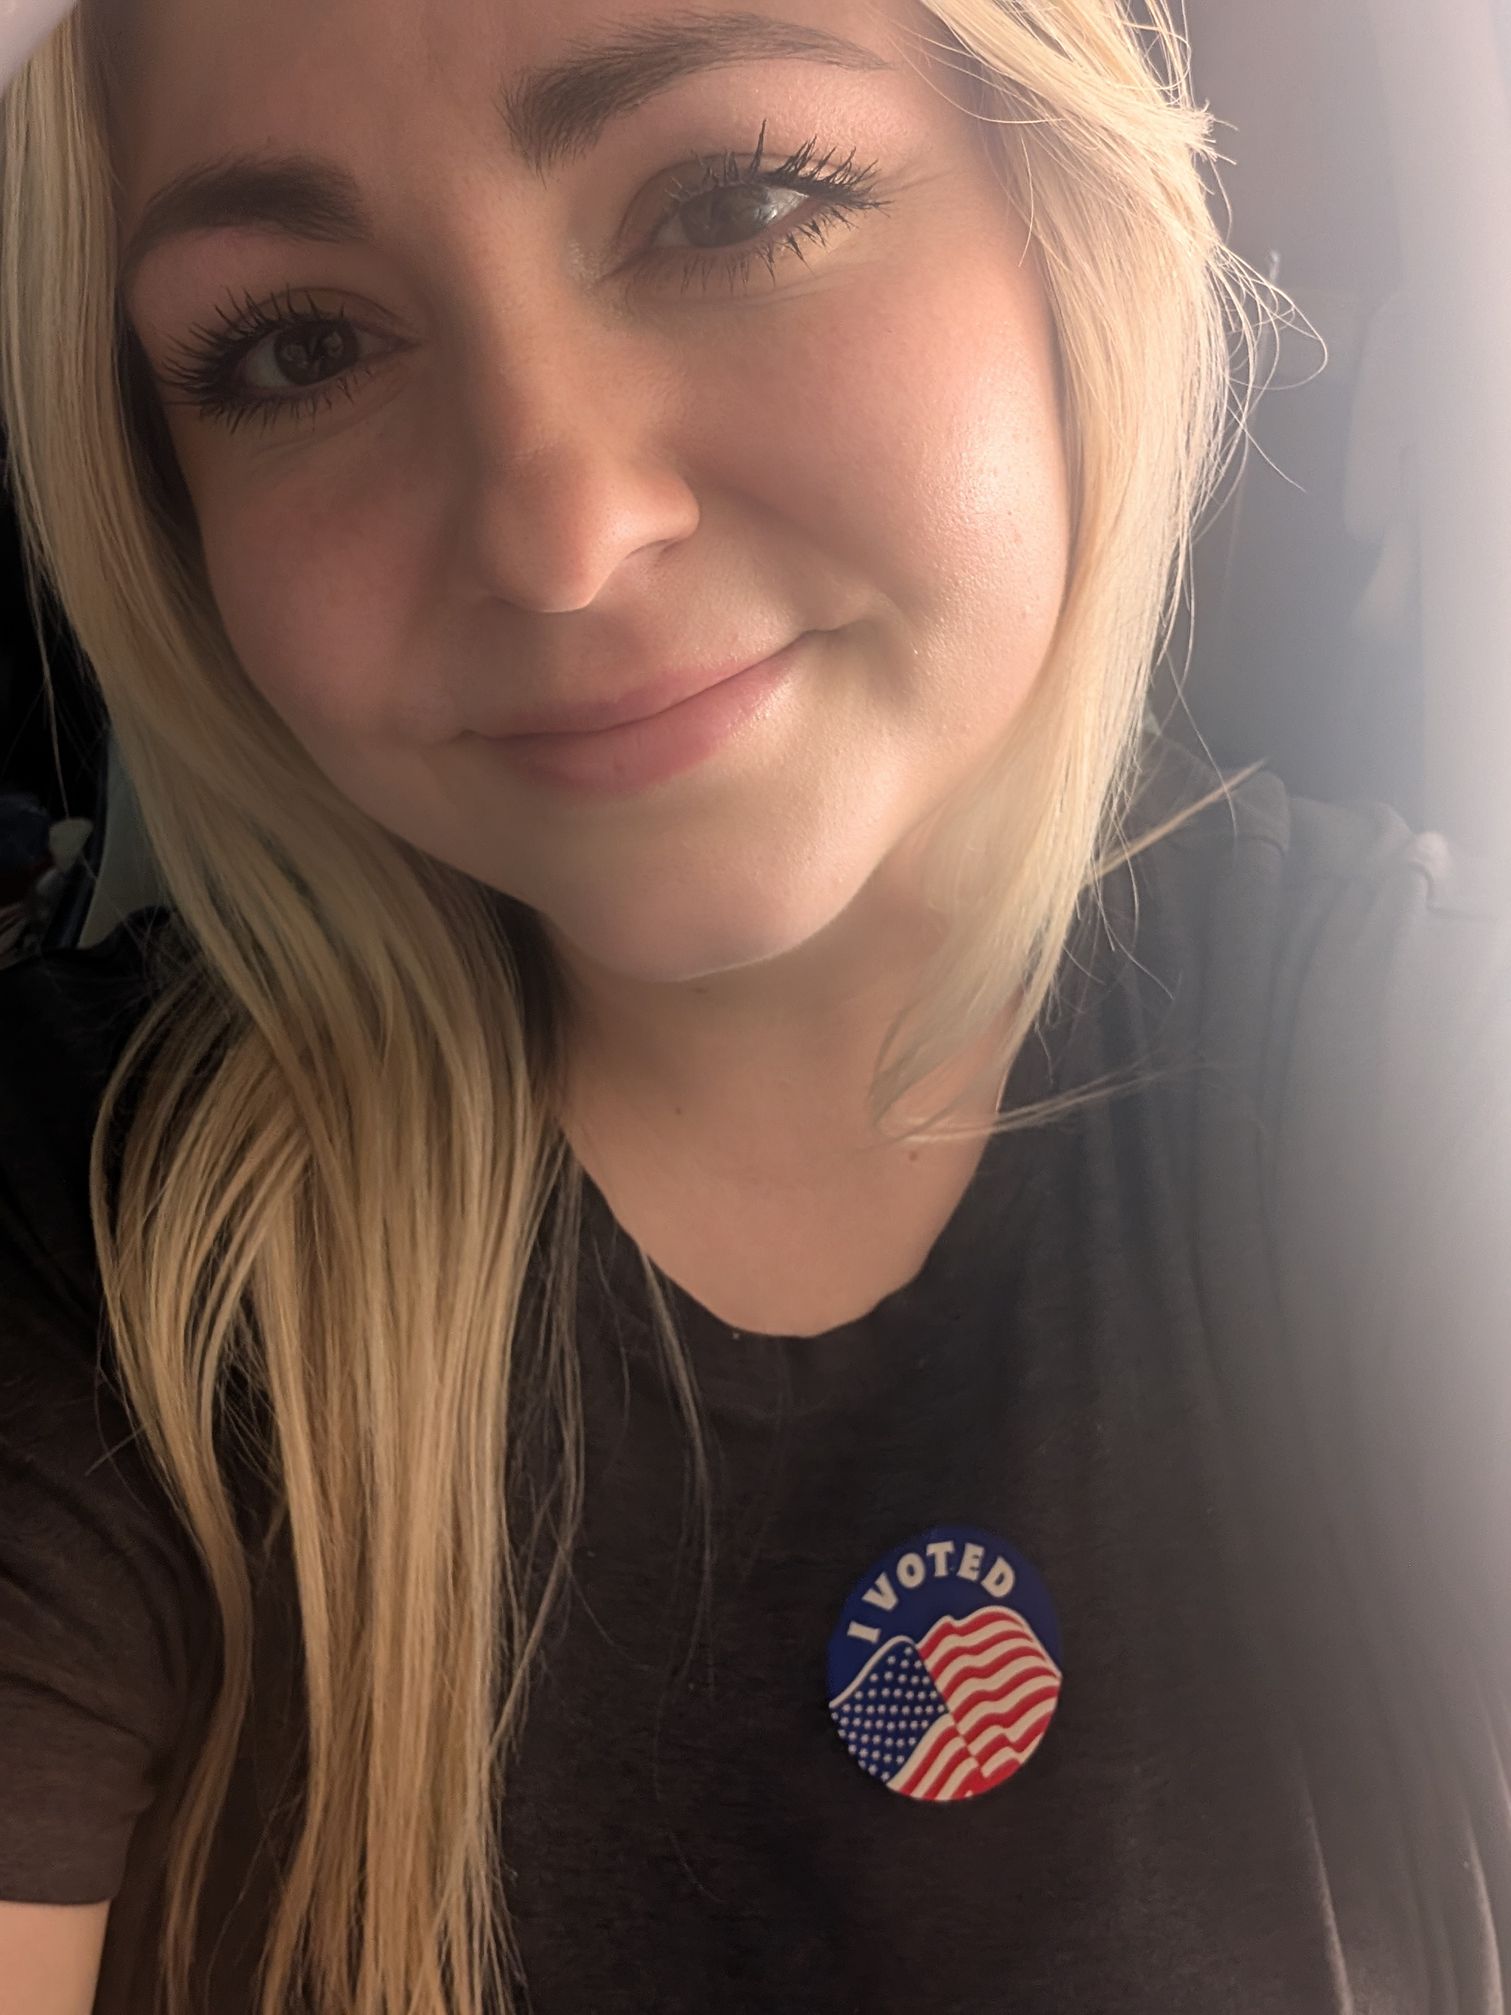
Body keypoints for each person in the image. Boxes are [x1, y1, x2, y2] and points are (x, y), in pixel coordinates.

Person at [0, 1, 1507, 2012]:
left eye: (735, 202)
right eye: (303, 342)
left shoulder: (1417, 1072)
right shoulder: (90, 1228)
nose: (560, 532)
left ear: (1061, 204)